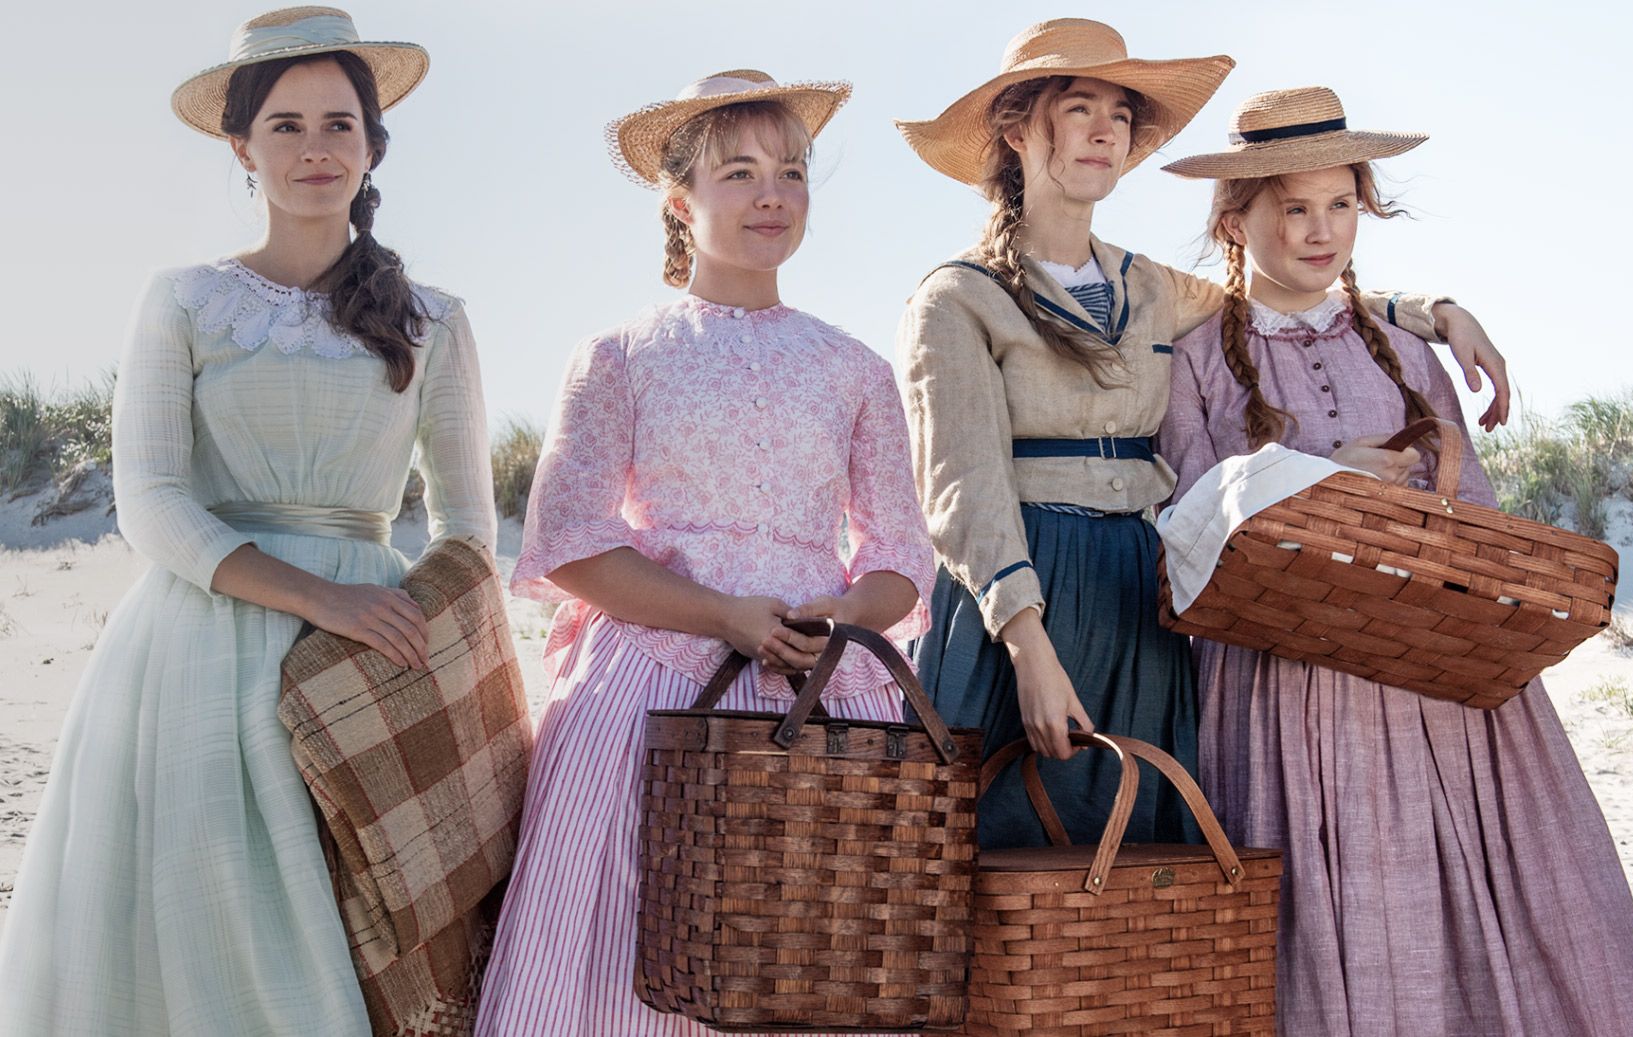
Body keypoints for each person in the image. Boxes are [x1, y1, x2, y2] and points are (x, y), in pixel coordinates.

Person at [895, 18, 1509, 848]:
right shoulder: (954, 300)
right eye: (1078, 108)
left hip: (1136, 589)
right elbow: (961, 487)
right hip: (1017, 588)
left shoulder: (1147, 286)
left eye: (1119, 111)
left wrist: (1433, 312)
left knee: (1136, 853)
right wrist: (1027, 646)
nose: (1106, 129)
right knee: (986, 854)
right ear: (1013, 130)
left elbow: (1283, 288)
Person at [0, 7, 494, 1034]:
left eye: (338, 123)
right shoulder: (182, 298)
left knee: (361, 937)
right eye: (283, 125)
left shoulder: (434, 317)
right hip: (198, 643)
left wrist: (405, 625)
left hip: (370, 657)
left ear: (373, 144)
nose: (314, 148)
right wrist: (320, 597)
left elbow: (468, 522)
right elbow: (151, 501)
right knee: (202, 933)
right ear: (240, 147)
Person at [1157, 85, 1633, 1036]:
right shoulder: (1191, 358)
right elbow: (1189, 526)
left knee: (1509, 902)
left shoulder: (1406, 351)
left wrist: (1432, 486)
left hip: (1436, 679)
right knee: (1325, 909)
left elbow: (1472, 520)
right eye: (1293, 208)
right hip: (1284, 684)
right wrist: (1319, 479)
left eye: (1341, 204)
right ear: (1237, 217)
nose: (1321, 231)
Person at [475, 71, 936, 1035]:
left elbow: (899, 556)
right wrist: (727, 616)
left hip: (821, 691)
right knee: (621, 955)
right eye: (740, 172)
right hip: (651, 686)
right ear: (679, 203)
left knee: (800, 952)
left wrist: (835, 620)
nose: (773, 193)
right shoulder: (620, 355)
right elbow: (568, 546)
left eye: (793, 172)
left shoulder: (855, 369)